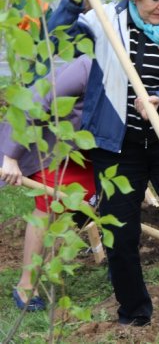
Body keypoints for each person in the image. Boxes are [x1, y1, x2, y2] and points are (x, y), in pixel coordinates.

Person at [48, 0, 159, 326]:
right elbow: (58, 42)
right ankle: (134, 313)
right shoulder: (104, 21)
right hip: (119, 146)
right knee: (119, 236)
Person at [0, 54, 97, 312]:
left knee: (87, 208)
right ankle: (26, 285)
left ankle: (56, 274)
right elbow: (35, 103)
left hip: (90, 153)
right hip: (54, 149)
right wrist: (10, 157)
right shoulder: (86, 67)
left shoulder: (144, 73)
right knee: (49, 209)